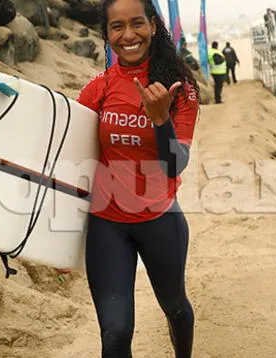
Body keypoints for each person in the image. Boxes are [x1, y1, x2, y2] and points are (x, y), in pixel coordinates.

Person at [76, 0, 200, 356]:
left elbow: (176, 165)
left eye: (137, 24)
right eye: (117, 27)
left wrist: (161, 119)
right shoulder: (99, 88)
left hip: (159, 219)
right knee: (114, 333)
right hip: (107, 223)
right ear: (107, 34)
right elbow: (72, 154)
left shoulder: (180, 88)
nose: (128, 35)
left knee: (175, 306)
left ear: (154, 26)